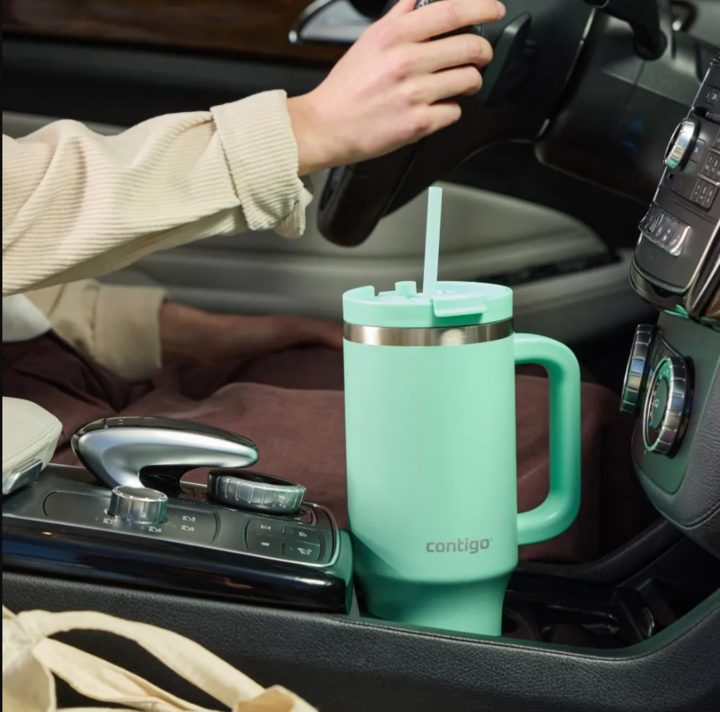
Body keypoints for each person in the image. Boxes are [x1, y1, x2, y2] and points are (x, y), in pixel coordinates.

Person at [2, 0, 655, 562]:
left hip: (59, 369)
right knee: (570, 436)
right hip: (28, 446)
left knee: (529, 407)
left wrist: (219, 335)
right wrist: (308, 127)